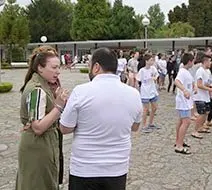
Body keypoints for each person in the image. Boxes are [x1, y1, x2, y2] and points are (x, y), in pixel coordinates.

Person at [59, 48, 143, 190]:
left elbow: (65, 128)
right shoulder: (134, 94)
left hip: (84, 168)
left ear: (96, 67)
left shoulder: (80, 91)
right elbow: (135, 127)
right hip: (117, 168)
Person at [16, 46, 68, 190]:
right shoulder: (37, 89)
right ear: (40, 68)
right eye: (54, 67)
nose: (58, 71)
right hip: (39, 145)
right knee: (38, 183)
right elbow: (38, 127)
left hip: (41, 144)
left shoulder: (42, 85)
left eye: (59, 67)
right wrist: (58, 106)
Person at [174, 53, 195, 154]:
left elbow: (190, 81)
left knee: (181, 121)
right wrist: (184, 90)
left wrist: (194, 86)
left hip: (186, 100)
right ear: (190, 61)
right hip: (183, 101)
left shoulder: (186, 71)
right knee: (186, 122)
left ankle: (179, 141)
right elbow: (177, 81)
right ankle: (179, 146)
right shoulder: (182, 71)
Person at [191, 55, 212, 139]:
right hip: (199, 96)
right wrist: (210, 89)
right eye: (209, 61)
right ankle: (195, 131)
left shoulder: (207, 71)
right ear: (205, 62)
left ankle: (201, 126)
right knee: (201, 114)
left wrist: (209, 86)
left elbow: (205, 83)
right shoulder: (200, 71)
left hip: (205, 96)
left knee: (206, 112)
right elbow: (199, 85)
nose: (211, 63)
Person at [136, 54, 160, 133]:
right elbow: (138, 79)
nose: (152, 61)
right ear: (146, 61)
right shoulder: (142, 70)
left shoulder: (153, 68)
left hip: (152, 90)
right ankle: (143, 125)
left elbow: (156, 75)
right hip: (145, 91)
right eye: (151, 60)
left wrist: (155, 78)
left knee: (154, 107)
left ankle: (151, 123)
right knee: (146, 109)